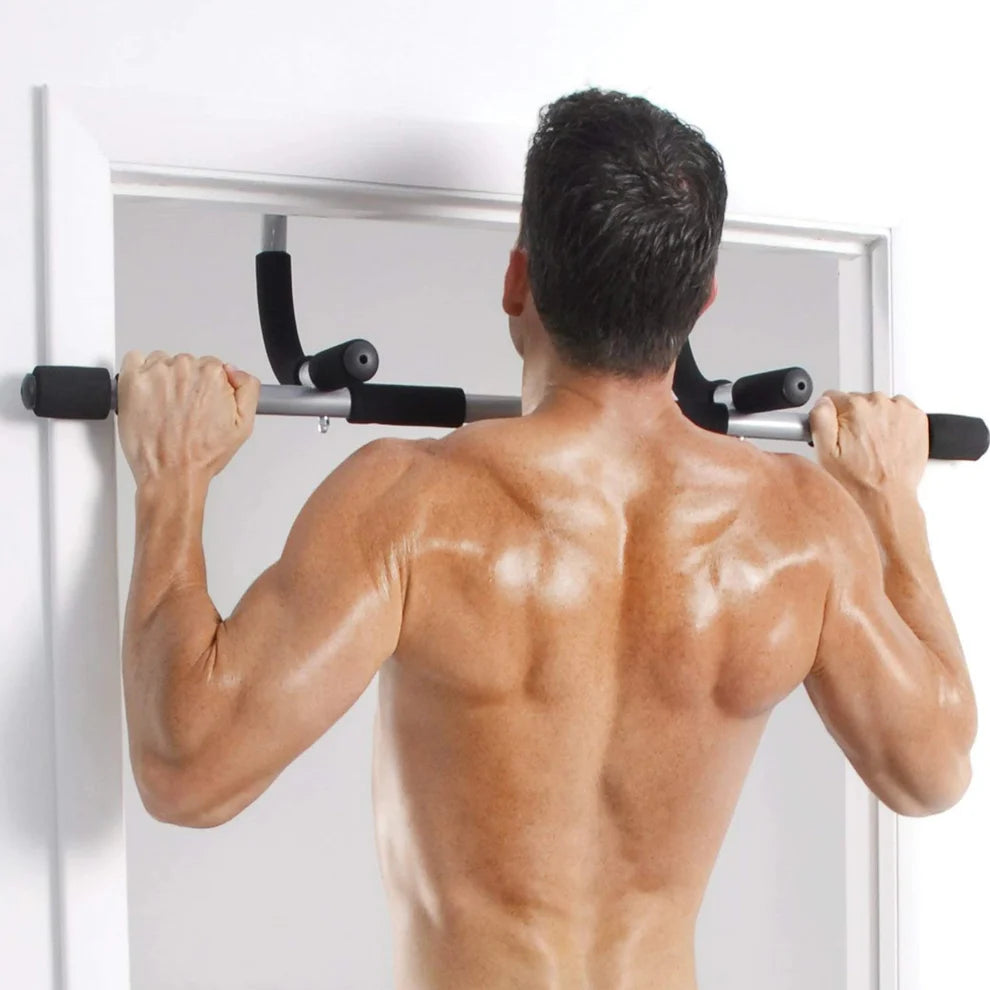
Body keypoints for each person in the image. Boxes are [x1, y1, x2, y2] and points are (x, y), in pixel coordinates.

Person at [116, 89, 977, 990]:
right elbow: (936, 769)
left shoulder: (414, 508)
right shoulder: (798, 532)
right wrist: (890, 506)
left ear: (518, 279)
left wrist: (173, 481)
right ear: (702, 300)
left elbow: (189, 768)